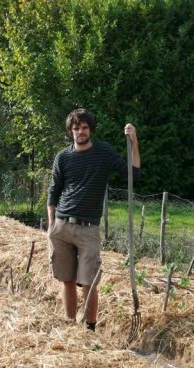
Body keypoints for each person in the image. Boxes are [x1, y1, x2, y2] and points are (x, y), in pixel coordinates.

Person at [47, 108, 141, 331]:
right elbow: (53, 191)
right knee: (67, 280)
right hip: (61, 226)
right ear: (71, 131)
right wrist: (51, 224)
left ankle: (90, 328)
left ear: (90, 130)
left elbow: (133, 175)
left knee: (89, 282)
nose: (80, 131)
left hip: (88, 229)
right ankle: (69, 325)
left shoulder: (103, 152)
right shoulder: (63, 157)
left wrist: (134, 140)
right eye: (76, 128)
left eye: (84, 127)